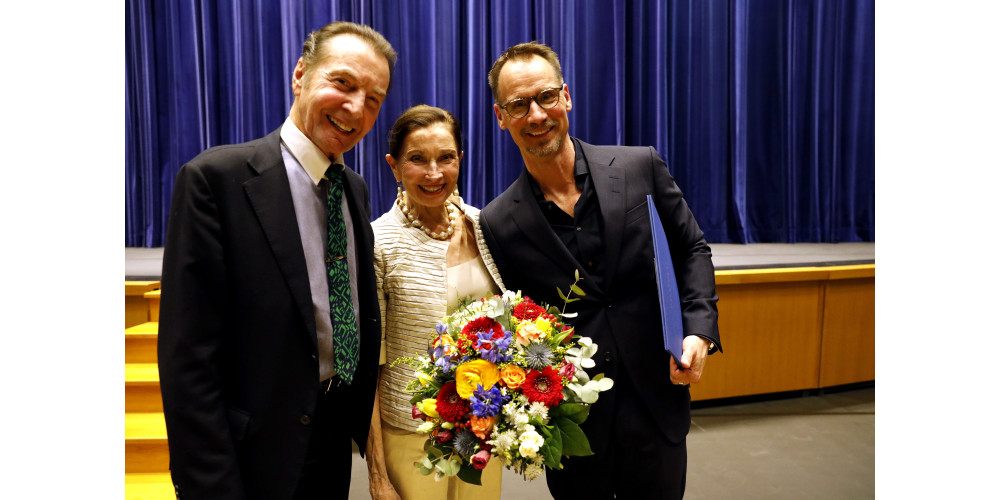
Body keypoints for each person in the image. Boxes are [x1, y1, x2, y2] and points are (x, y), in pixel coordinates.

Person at [158, 22, 396, 500]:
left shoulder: (353, 188)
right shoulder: (215, 180)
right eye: (343, 83)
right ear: (300, 75)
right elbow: (188, 360)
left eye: (373, 99)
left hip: (331, 444)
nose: (356, 108)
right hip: (251, 456)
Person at [478, 42, 722, 499]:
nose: (536, 115)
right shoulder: (497, 221)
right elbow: (521, 321)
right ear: (501, 117)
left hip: (657, 402)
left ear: (566, 96)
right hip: (574, 429)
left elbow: (691, 248)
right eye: (519, 105)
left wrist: (699, 331)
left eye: (546, 96)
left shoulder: (639, 166)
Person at [364, 105, 506, 500]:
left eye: (445, 158)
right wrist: (377, 474)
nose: (433, 173)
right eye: (417, 159)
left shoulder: (485, 226)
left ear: (460, 159)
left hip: (482, 429)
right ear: (394, 166)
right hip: (413, 437)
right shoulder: (378, 243)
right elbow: (368, 366)